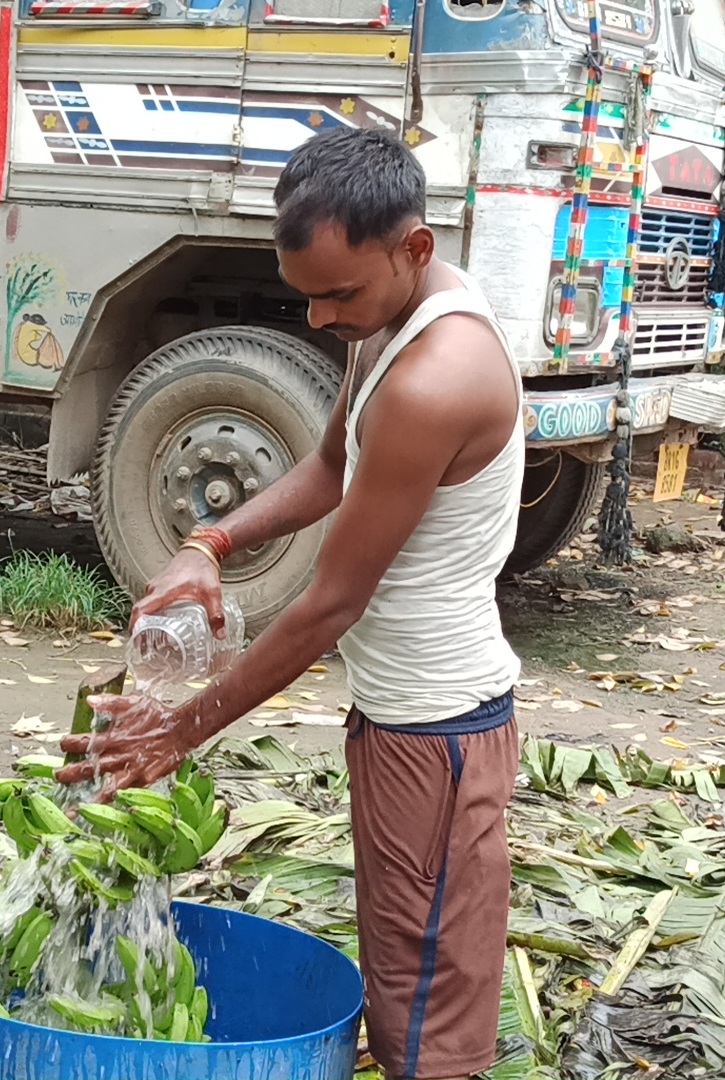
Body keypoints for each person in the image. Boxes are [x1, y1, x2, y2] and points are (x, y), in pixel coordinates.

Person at [56, 126, 525, 1080]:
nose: (318, 318)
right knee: (405, 970)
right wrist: (205, 543)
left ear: (414, 248)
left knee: (426, 1018)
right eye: (305, 294)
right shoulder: (387, 320)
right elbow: (327, 466)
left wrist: (175, 734)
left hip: (437, 731)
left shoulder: (437, 379)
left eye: (338, 293)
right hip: (397, 716)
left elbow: (326, 606)